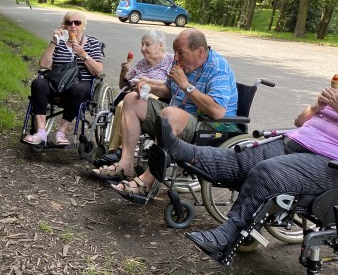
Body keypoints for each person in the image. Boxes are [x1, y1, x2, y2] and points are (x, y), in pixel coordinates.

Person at [155, 51, 338, 264]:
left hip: (335, 166)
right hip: (296, 142)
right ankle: (181, 151)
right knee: (239, 160)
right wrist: (318, 107)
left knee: (268, 172)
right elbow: (299, 121)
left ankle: (227, 235)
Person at [94, 28, 237, 196]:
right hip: (174, 116)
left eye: (180, 53)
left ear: (199, 51)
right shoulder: (183, 64)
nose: (175, 57)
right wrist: (148, 86)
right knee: (132, 99)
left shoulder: (217, 67)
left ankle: (147, 181)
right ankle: (126, 165)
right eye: (175, 52)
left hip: (206, 125)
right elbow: (169, 90)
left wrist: (186, 86)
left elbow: (217, 111)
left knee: (170, 114)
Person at [21, 10, 105, 146]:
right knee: (38, 84)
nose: (73, 26)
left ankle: (61, 132)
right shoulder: (58, 42)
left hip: (81, 84)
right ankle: (41, 132)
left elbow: (98, 71)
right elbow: (44, 64)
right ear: (64, 25)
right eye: (69, 22)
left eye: (77, 22)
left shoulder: (92, 43)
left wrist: (83, 55)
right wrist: (54, 41)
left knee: (77, 89)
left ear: (83, 25)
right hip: (58, 83)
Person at [93, 29, 174, 167]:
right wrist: (124, 72)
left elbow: (171, 86)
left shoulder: (171, 61)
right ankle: (117, 151)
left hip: (155, 97)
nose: (143, 48)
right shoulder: (142, 62)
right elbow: (122, 85)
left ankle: (117, 151)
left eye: (147, 44)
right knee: (122, 104)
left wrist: (148, 82)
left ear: (160, 45)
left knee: (122, 106)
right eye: (142, 44)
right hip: (132, 95)